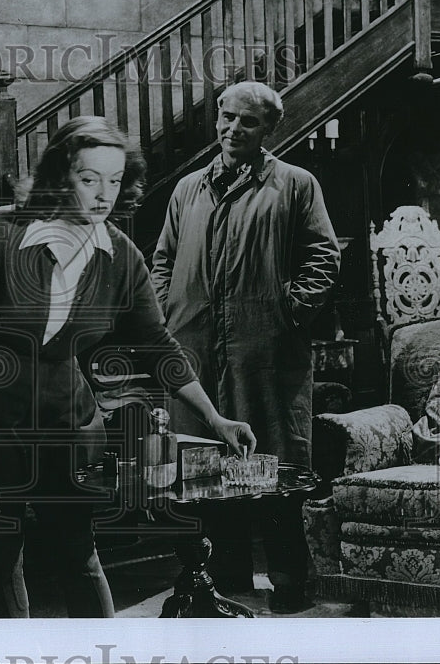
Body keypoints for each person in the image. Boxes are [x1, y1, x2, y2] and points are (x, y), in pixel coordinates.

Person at [0, 115, 257, 618]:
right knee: (0, 555)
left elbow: (158, 346)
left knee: (78, 555)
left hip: (68, 421)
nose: (104, 194)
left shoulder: (121, 257)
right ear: (60, 176)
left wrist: (215, 419)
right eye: (89, 178)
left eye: (115, 180)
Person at [150, 81, 340, 613]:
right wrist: (169, 311)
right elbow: (161, 257)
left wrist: (287, 312)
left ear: (268, 129)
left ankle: (288, 583)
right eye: (226, 118)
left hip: (264, 352)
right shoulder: (188, 188)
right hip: (195, 349)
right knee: (206, 469)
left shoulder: (295, 185)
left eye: (248, 122)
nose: (233, 130)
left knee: (271, 469)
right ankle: (222, 579)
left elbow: (323, 258)